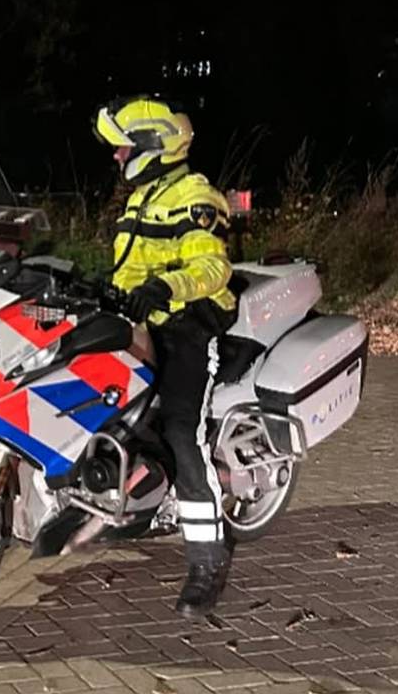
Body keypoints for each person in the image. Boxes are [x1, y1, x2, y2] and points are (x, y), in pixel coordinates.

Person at [94, 96, 237, 618]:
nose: (116, 157)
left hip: (188, 328)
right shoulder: (141, 200)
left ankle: (207, 562)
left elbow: (213, 268)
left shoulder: (196, 196)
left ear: (153, 147)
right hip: (143, 327)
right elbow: (127, 273)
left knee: (181, 433)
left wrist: (166, 287)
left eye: (123, 148)